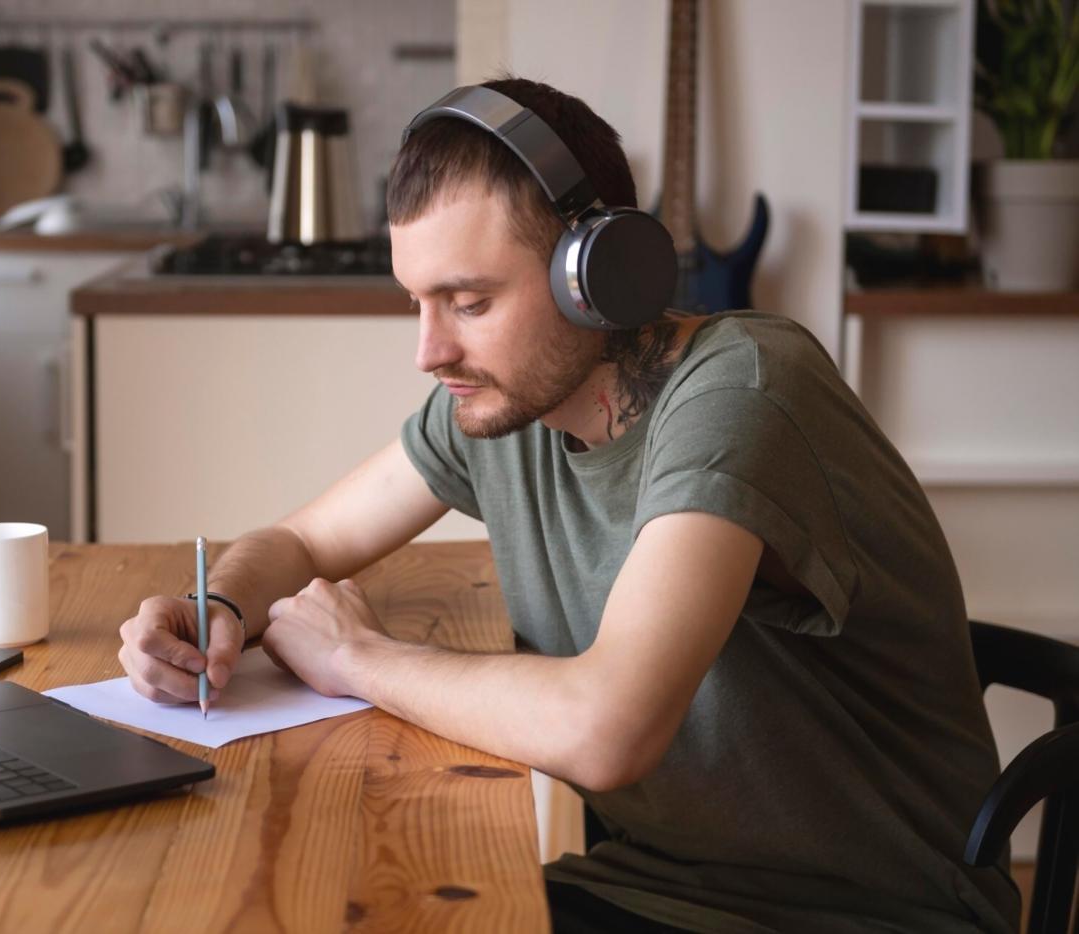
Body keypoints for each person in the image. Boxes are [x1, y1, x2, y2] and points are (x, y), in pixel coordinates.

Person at [116, 77, 1020, 934]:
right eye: (417, 303)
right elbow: (304, 537)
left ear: (601, 274)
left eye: (468, 302)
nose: (429, 351)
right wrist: (218, 607)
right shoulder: (497, 401)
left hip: (861, 914)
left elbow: (606, 728)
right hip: (653, 890)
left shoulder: (744, 393)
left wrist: (359, 657)